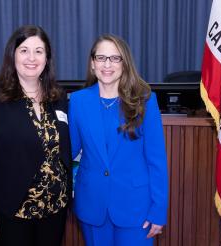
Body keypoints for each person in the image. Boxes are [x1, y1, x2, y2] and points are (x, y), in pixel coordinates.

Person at [0, 25, 71, 246]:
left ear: (47, 57)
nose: (31, 58)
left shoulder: (59, 96)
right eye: (24, 50)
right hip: (12, 208)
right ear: (12, 55)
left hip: (55, 208)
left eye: (38, 51)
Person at [68, 34, 169, 246]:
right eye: (101, 57)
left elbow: (156, 160)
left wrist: (158, 210)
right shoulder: (78, 101)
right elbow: (68, 152)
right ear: (92, 63)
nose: (107, 64)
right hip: (92, 205)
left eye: (115, 58)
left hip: (136, 207)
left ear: (124, 64)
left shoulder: (145, 101)